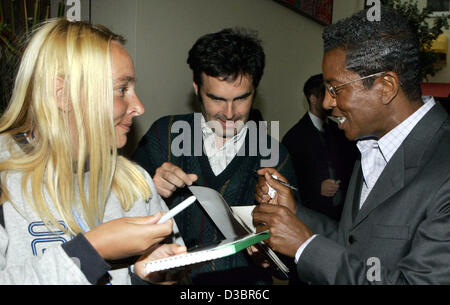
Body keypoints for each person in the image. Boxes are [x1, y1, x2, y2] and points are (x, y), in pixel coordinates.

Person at [253, 6, 450, 284]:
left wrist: (305, 247)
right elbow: (355, 241)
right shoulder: (369, 145)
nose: (326, 103)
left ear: (385, 86)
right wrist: (296, 214)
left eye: (335, 89)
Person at [0, 18, 187, 285]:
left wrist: (147, 277)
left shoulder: (134, 183)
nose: (139, 107)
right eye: (122, 89)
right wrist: (91, 251)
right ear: (63, 95)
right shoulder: (5, 178)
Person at [132, 28, 298, 284]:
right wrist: (148, 191)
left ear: (255, 90)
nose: (229, 113)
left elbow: (287, 263)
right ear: (197, 88)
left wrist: (271, 251)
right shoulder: (163, 137)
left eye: (242, 98)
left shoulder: (276, 157)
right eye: (216, 99)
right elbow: (120, 220)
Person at [282, 74, 357, 220]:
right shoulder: (294, 137)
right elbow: (289, 181)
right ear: (313, 98)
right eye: (326, 94)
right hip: (313, 217)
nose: (331, 102)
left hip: (344, 215)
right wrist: (316, 188)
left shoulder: (340, 130)